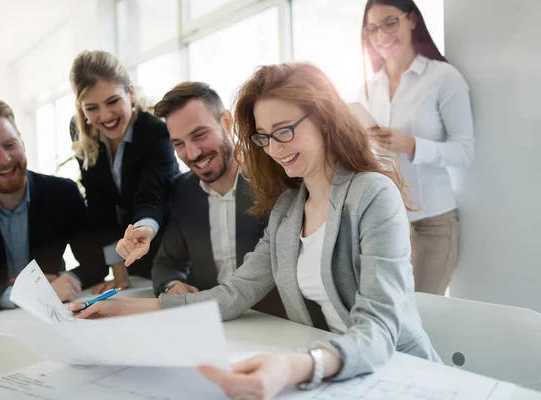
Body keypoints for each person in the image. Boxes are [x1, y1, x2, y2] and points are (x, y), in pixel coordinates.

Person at [70, 62, 440, 398]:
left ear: (324, 118)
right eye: (264, 137)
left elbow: (378, 328)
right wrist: (124, 309)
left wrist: (297, 365)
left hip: (400, 375)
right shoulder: (287, 210)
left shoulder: (373, 194)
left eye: (284, 131)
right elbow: (234, 294)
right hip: (333, 376)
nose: (274, 149)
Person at [0, 98, 104, 313]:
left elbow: (96, 264)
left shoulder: (62, 193)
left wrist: (67, 281)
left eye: (10, 145)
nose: (5, 159)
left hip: (55, 321)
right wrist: (24, 296)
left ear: (22, 142)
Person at [359, 0, 475, 294]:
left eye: (390, 23)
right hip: (387, 223)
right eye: (373, 29)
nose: (382, 35)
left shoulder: (443, 78)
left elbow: (464, 152)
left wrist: (410, 145)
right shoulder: (368, 88)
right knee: (392, 318)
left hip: (433, 224)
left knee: (424, 317)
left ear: (411, 20)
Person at [144, 81, 286, 318]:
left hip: (276, 323)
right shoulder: (183, 190)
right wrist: (172, 286)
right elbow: (166, 264)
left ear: (227, 122)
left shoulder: (274, 179)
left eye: (200, 135)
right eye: (178, 144)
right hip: (211, 323)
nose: (192, 153)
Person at [69, 50, 179, 294]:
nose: (105, 116)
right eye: (91, 108)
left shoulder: (155, 132)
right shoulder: (82, 133)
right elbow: (100, 205)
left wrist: (144, 229)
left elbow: (153, 194)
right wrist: (119, 272)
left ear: (129, 93)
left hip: (167, 250)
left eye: (112, 101)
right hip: (132, 259)